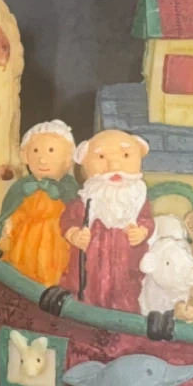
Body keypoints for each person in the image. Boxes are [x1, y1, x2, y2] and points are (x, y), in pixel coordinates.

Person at [60, 129, 155, 311]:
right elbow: (68, 221)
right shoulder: (84, 200)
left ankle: (123, 314)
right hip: (90, 264)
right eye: (101, 157)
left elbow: (146, 220)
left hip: (125, 262)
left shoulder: (137, 199)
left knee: (126, 292)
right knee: (86, 290)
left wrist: (142, 231)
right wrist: (73, 235)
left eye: (125, 155)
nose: (114, 165)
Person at [0, 120, 79, 286]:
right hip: (25, 240)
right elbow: (15, 210)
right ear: (26, 155)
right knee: (21, 266)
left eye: (51, 151)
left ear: (68, 158)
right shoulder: (23, 187)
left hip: (56, 241)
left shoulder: (68, 188)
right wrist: (9, 225)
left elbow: (76, 214)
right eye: (36, 151)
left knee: (51, 266)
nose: (42, 159)